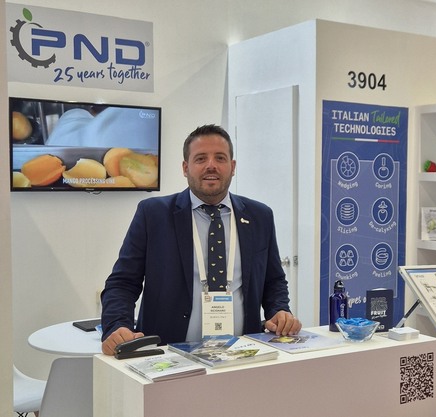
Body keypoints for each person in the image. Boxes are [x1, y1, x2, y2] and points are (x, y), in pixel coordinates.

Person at [100, 124, 301, 355]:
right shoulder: (153, 214)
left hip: (240, 354)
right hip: (168, 356)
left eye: (220, 158)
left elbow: (273, 281)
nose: (211, 165)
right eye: (201, 158)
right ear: (185, 168)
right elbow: (123, 283)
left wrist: (279, 311)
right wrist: (117, 326)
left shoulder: (259, 216)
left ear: (233, 167)